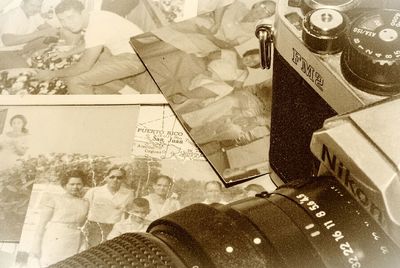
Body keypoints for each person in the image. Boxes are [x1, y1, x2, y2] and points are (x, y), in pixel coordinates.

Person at [35, 0, 146, 94]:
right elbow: (91, 42)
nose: (67, 23)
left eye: (70, 17)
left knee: (74, 80)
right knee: (89, 65)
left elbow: (84, 66)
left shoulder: (95, 27)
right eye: (62, 20)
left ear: (83, 12)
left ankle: (93, 114)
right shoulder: (95, 16)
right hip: (136, 52)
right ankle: (129, 92)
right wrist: (67, 53)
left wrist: (52, 74)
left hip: (136, 59)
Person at [30, 170, 89, 267]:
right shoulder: (54, 199)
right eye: (72, 184)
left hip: (74, 239)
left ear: (83, 185)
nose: (75, 187)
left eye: (79, 184)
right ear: (65, 185)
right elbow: (41, 224)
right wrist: (36, 245)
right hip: (55, 237)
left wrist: (83, 243)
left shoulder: (85, 203)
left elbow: (83, 226)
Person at [84, 166, 134, 247]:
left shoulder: (129, 194)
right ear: (106, 178)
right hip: (95, 228)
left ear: (123, 179)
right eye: (112, 177)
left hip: (115, 229)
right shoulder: (94, 191)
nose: (115, 180)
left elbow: (128, 212)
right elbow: (84, 210)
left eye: (119, 178)